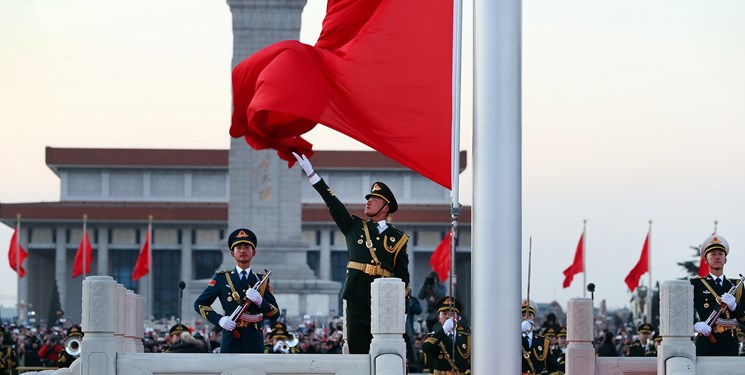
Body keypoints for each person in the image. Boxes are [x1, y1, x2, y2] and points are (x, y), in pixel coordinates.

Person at [293, 153, 411, 354]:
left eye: (374, 199)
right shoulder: (354, 227)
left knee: (385, 351)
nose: (368, 202)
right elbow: (333, 203)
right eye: (368, 198)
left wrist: (403, 306)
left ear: (386, 206)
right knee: (357, 349)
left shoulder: (399, 238)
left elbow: (403, 276)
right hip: (357, 294)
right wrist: (313, 176)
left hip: (384, 298)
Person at [194, 228, 280, 353]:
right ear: (232, 253)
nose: (243, 250)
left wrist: (261, 302)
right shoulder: (222, 278)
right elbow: (200, 304)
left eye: (246, 247)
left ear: (253, 252)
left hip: (254, 340)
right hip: (231, 339)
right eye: (238, 247)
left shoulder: (261, 280)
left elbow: (275, 314)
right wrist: (219, 320)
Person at [691, 233, 745, 356]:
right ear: (705, 260)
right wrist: (695, 325)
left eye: (721, 254)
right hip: (706, 340)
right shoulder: (696, 284)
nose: (717, 257)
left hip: (730, 342)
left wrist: (735, 307)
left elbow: (744, 318)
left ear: (725, 259)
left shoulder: (737, 285)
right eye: (713, 254)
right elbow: (683, 312)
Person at [422, 297, 470, 374]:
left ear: (458, 318)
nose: (447, 317)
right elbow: (426, 348)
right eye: (444, 314)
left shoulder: (467, 338)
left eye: (451, 314)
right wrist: (444, 330)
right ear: (439, 318)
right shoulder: (433, 337)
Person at [521, 299, 557, 374]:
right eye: (523, 315)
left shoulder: (543, 342)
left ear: (534, 319)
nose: (525, 318)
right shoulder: (511, 340)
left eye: (529, 315)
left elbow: (554, 369)